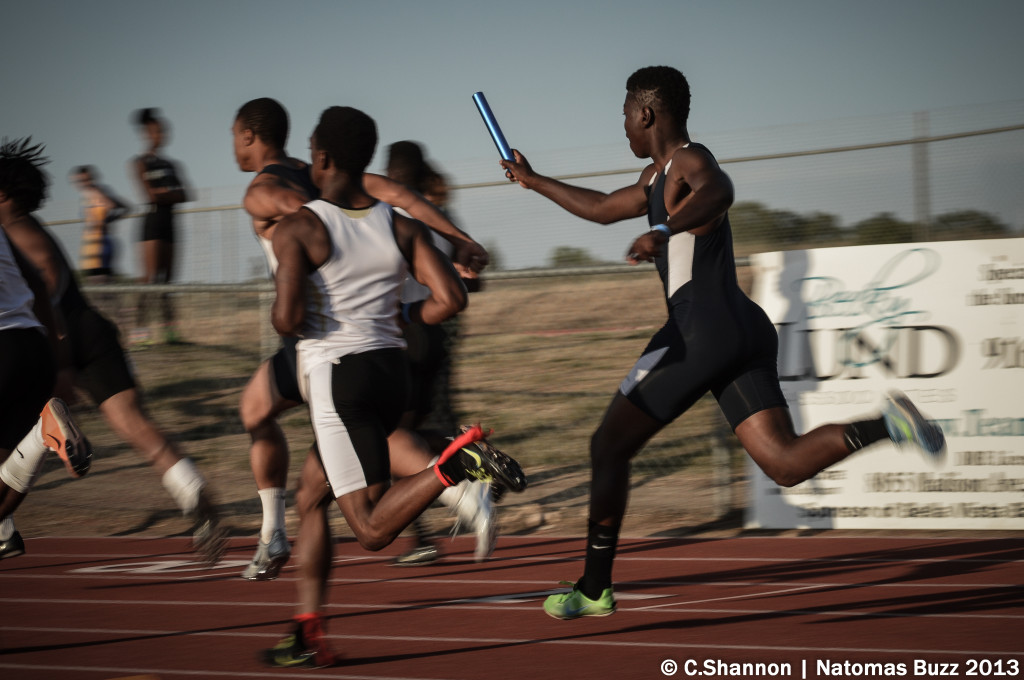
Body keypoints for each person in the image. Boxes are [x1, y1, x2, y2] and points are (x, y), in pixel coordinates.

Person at [499, 65, 946, 620]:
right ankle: (887, 425)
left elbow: (721, 190)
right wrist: (533, 179)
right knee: (782, 463)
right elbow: (599, 208)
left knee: (607, 446)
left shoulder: (688, 161)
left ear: (645, 113)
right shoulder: (653, 177)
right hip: (742, 327)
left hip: (698, 331)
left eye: (623, 115)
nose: (623, 127)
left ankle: (593, 588)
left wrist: (663, 231)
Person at [260, 106, 527, 668]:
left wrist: (309, 309)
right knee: (310, 496)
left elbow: (285, 320)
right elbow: (450, 299)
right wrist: (402, 314)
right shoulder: (398, 223)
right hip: (391, 373)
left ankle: (454, 464)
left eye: (312, 151)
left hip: (339, 379)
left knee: (371, 529)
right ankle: (308, 630)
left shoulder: (300, 227)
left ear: (323, 158)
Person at [231, 98, 495, 580]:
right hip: (381, 343)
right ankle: (301, 606)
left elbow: (306, 215)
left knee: (368, 501)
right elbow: (407, 200)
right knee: (309, 476)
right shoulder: (330, 176)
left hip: (323, 339)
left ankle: (457, 482)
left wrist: (321, 233)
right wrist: (460, 240)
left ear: (247, 135)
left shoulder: (266, 190)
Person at [0, 137, 225, 566]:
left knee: (17, 441)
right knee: (136, 427)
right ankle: (192, 491)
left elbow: (47, 277)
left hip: (59, 337)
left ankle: (4, 525)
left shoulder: (15, 231)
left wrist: (60, 360)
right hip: (90, 327)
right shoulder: (29, 227)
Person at [385, 140, 493, 566]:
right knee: (411, 437)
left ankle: (458, 495)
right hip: (434, 337)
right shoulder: (441, 221)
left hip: (403, 334)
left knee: (390, 440)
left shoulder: (390, 218)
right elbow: (472, 279)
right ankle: (468, 473)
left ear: (391, 173)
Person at [0, 177, 92, 558]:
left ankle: (42, 434)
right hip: (32, 345)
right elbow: (37, 283)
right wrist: (59, 360)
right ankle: (41, 437)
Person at [130, 107, 189, 343]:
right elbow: (150, 196)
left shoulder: (172, 165)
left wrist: (165, 193)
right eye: (155, 131)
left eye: (163, 131)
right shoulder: (140, 162)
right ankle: (139, 332)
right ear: (146, 133)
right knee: (149, 279)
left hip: (171, 224)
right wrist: (169, 192)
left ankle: (170, 333)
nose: (160, 135)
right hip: (152, 224)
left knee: (168, 281)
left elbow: (185, 194)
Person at [69, 165, 129, 282]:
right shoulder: (86, 196)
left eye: (88, 180)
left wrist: (105, 220)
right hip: (89, 244)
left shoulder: (97, 193)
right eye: (81, 181)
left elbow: (115, 205)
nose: (85, 184)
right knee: (96, 280)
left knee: (101, 280)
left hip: (100, 243)